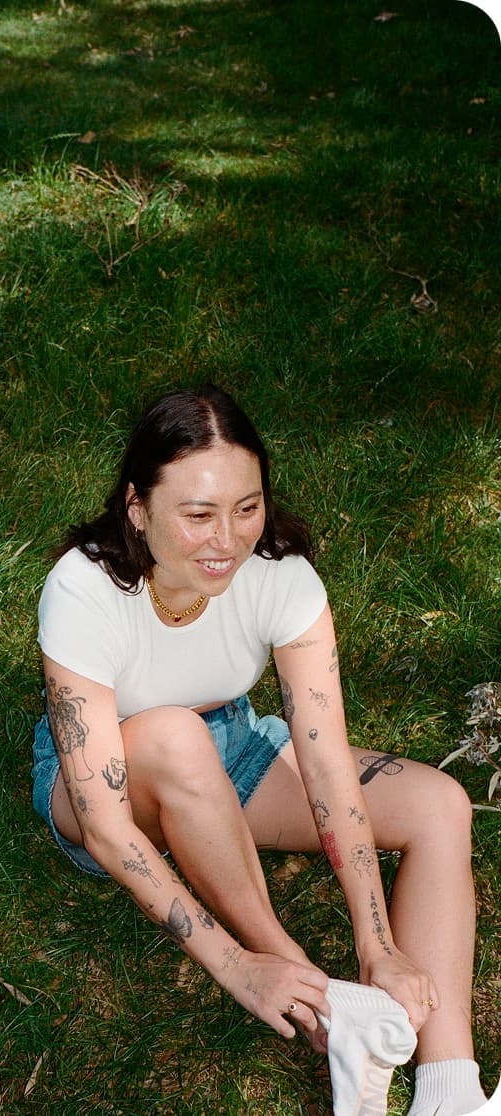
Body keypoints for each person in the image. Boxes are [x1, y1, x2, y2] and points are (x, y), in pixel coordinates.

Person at [31, 384, 488, 1116]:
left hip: (233, 744)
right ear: (138, 508)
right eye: (199, 514)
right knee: (177, 737)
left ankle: (451, 1091)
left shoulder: (282, 575)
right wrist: (241, 969)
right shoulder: (82, 588)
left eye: (247, 508)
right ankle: (316, 992)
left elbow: (326, 759)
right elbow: (109, 828)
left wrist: (379, 946)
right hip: (98, 782)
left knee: (440, 804)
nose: (227, 539)